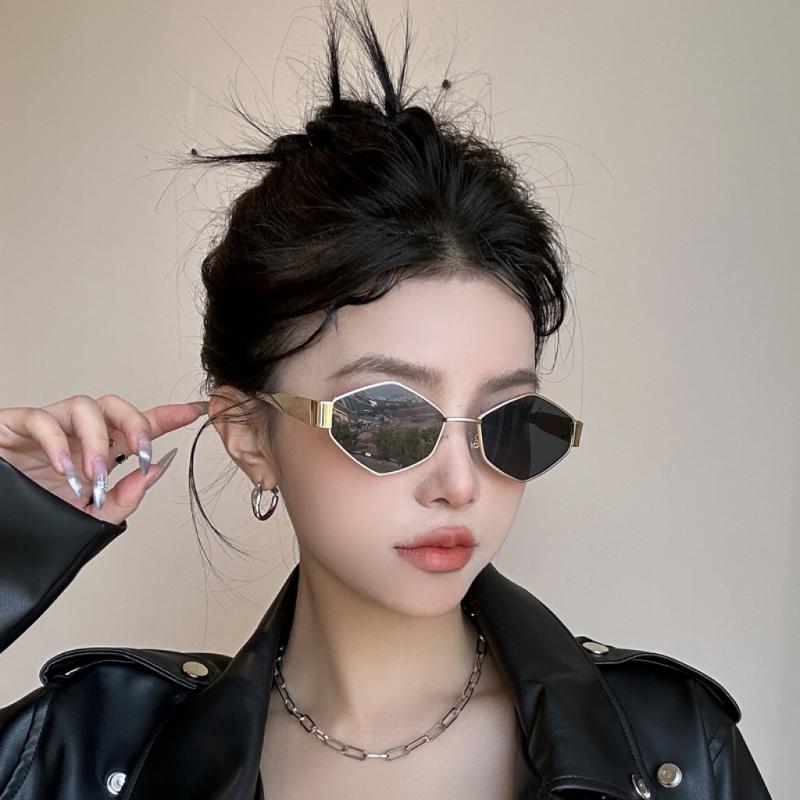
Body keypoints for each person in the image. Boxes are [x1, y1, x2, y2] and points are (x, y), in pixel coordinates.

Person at [0, 1, 773, 798]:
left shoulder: (676, 749)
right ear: (248, 435)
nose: (460, 484)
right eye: (388, 417)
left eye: (509, 423)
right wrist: (9, 530)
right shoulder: (84, 750)